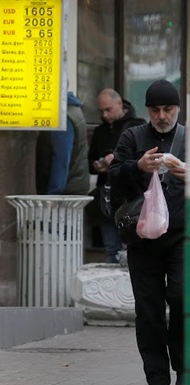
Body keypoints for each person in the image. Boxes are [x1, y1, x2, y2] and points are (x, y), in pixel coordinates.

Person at [108, 79, 185, 385]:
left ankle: (184, 370)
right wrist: (137, 167)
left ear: (178, 109)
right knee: (149, 311)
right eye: (156, 110)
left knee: (181, 298)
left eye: (168, 109)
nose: (162, 116)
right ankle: (156, 377)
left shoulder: (187, 138)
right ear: (148, 110)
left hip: (183, 237)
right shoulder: (132, 137)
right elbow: (113, 180)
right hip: (143, 239)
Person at [87, 88, 146, 263]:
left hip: (131, 196)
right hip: (107, 196)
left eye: (108, 109)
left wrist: (117, 159)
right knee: (111, 249)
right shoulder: (100, 131)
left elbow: (143, 159)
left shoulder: (137, 125)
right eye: (101, 111)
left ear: (120, 104)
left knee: (133, 248)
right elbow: (90, 163)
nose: (104, 115)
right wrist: (99, 166)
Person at [35, 90, 90, 195]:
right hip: (73, 186)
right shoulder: (73, 109)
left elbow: (61, 159)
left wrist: (52, 195)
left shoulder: (62, 117)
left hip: (65, 194)